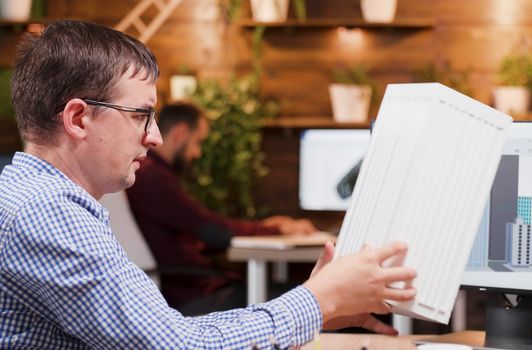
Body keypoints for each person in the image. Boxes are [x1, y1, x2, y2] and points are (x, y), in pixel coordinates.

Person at [0, 20, 417, 349]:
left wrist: (320, 308)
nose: (155, 136)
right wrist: (318, 299)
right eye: (141, 115)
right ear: (77, 119)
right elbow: (176, 345)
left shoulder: (37, 199)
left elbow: (170, 334)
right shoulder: (47, 211)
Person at [126, 102, 319, 314]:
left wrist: (264, 227)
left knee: (299, 293)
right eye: (197, 142)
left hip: (199, 291)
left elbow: (202, 228)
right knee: (309, 298)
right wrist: (276, 230)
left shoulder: (154, 175)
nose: (197, 153)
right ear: (180, 133)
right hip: (197, 298)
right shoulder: (152, 178)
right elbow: (211, 230)